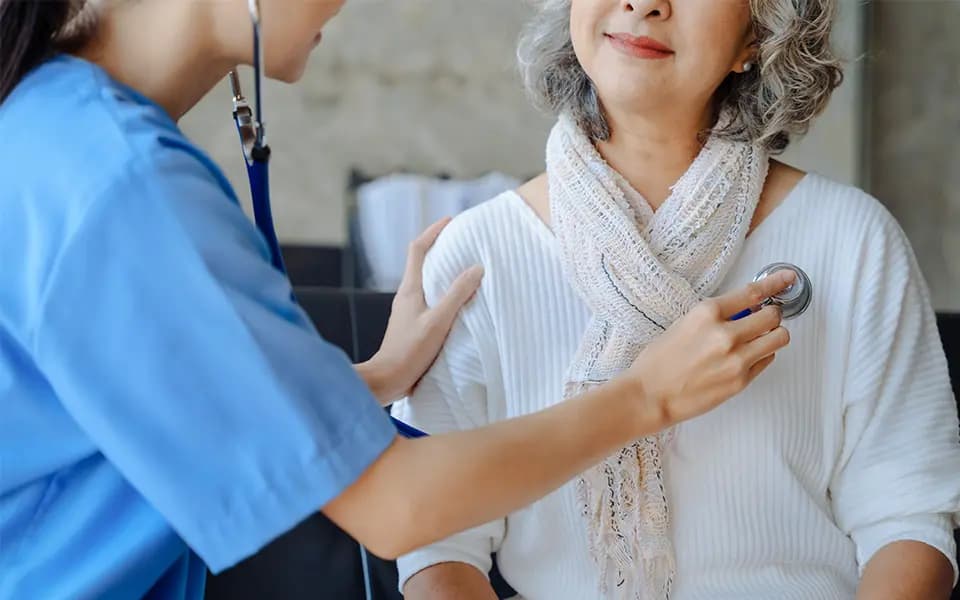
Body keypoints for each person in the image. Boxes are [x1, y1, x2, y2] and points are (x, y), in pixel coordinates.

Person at [0, 1, 799, 598]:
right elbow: (396, 507)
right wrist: (647, 396)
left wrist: (371, 380)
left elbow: (124, 407)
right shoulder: (124, 185)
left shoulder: (56, 131)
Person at [392, 0, 960, 598]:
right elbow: (436, 543)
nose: (644, 3)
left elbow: (908, 516)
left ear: (760, 32)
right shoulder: (475, 254)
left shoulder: (853, 238)